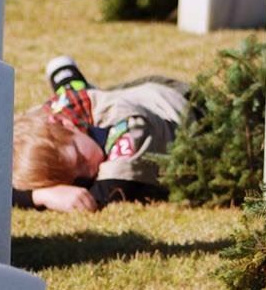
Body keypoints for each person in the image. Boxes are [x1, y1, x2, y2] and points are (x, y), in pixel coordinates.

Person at [12, 56, 191, 213]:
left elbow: (110, 193)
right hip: (108, 98)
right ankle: (69, 78)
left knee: (78, 95)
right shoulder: (45, 120)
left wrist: (40, 198)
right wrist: (41, 194)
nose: (89, 172)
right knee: (77, 94)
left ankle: (69, 79)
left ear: (68, 125)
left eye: (80, 159)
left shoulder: (131, 128)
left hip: (172, 98)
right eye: (76, 181)